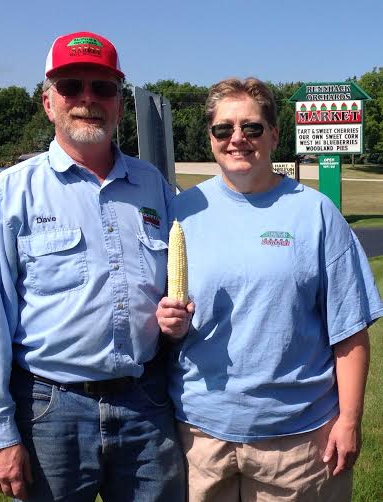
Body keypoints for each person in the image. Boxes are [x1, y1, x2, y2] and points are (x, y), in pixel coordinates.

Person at [0, 31, 184, 502]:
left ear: (119, 104)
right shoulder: (9, 194)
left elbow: (192, 281)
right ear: (48, 102)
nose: (88, 98)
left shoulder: (155, 189)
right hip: (49, 409)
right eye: (71, 86)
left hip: (145, 402)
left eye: (103, 88)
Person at [156, 77, 383, 502]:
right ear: (210, 138)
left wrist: (349, 419)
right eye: (223, 129)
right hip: (200, 436)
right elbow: (164, 317)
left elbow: (350, 329)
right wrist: (170, 324)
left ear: (274, 135)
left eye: (252, 127)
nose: (237, 138)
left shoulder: (315, 213)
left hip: (299, 441)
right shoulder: (183, 212)